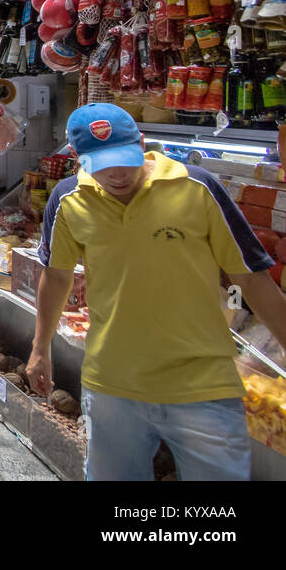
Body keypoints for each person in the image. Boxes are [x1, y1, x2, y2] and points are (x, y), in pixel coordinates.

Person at [31, 103, 286, 480]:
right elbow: (56, 277)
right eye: (100, 163)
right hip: (112, 386)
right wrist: (40, 348)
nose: (116, 173)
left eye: (125, 158)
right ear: (77, 159)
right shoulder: (69, 201)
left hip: (203, 390)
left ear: (143, 143)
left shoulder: (197, 187)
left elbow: (252, 278)